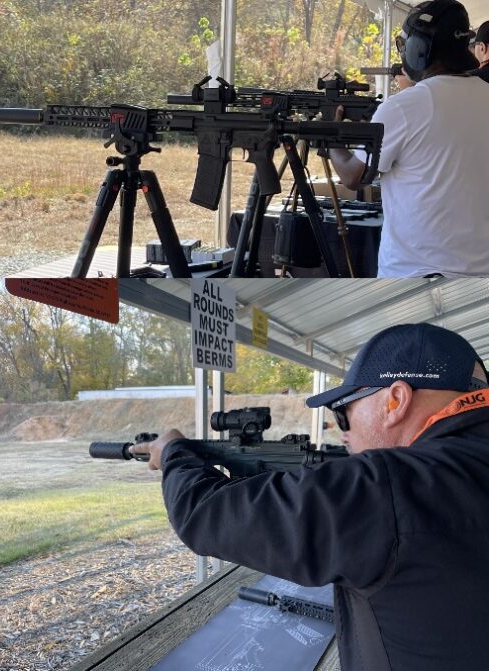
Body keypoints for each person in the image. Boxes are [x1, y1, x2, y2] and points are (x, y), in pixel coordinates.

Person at [132, 322, 489, 671]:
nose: (342, 433)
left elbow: (204, 517)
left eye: (344, 412)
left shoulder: (388, 484)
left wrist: (173, 452)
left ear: (395, 400)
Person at [329, 0, 489, 278]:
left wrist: (332, 138)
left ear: (419, 49)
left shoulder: (403, 106)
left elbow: (354, 176)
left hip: (414, 277)